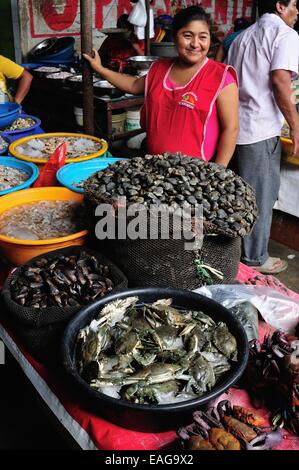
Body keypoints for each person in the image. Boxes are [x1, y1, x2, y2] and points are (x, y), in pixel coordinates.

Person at [84, 6, 239, 167]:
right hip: (154, 167)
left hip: (197, 176)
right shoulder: (159, 68)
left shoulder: (220, 77)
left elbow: (231, 128)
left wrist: (218, 173)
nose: (195, 44)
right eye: (187, 35)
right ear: (174, 37)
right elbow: (133, 84)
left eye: (203, 37)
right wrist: (101, 69)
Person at [226, 0, 299, 274]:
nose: (298, 11)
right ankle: (255, 257)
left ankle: (235, 249)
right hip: (260, 130)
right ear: (281, 6)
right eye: (295, 5)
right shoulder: (285, 34)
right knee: (260, 196)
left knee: (239, 194)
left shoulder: (242, 37)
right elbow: (281, 80)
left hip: (236, 127)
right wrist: (296, 124)